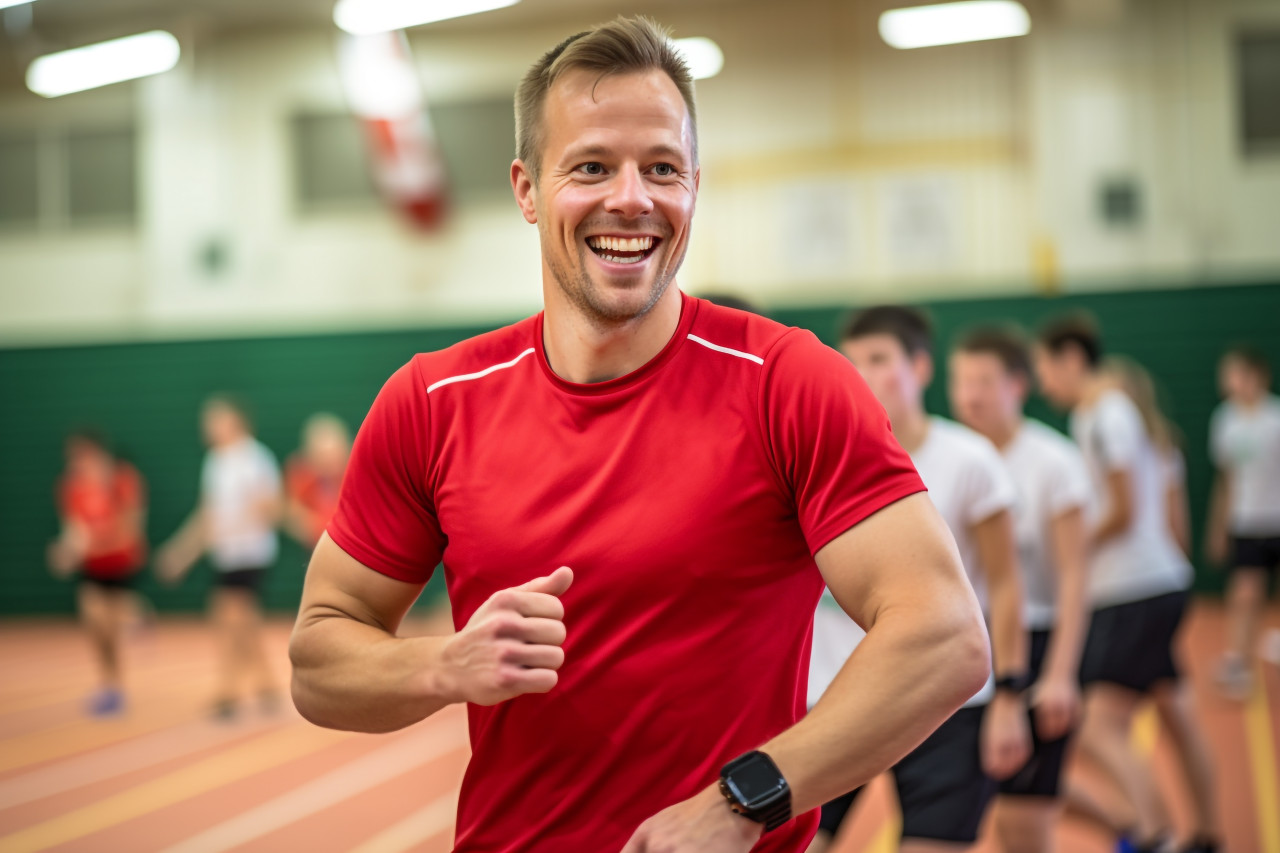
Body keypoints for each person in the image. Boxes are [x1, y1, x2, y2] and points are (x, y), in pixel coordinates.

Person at [289, 17, 991, 853]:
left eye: (662, 168)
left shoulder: (789, 383)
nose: (632, 198)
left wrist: (742, 801)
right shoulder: (432, 401)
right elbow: (319, 660)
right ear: (526, 189)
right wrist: (442, 665)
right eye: (591, 166)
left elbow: (943, 634)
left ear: (695, 183)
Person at [806, 306, 1030, 853]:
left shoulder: (969, 460)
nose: (862, 372)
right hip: (836, 700)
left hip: (945, 701)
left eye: (879, 359)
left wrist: (1010, 697)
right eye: (851, 360)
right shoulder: (815, 457)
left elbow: (1004, 585)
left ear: (921, 368)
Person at [1033, 316, 1218, 853]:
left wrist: (1067, 546)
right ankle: (1206, 836)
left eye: (1045, 367)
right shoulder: (1123, 415)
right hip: (1158, 582)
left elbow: (1123, 508)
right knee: (1177, 715)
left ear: (1070, 358)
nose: (1044, 383)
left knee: (1095, 724)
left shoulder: (1101, 414)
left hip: (1130, 590)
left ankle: (1156, 835)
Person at [949, 327, 1092, 853]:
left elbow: (1077, 577)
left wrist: (1059, 674)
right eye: (961, 380)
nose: (971, 394)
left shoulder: (1053, 462)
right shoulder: (955, 455)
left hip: (1035, 639)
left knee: (1024, 823)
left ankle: (1142, 827)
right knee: (985, 812)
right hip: (970, 646)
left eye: (984, 381)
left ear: (1018, 386)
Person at [157, 394, 284, 719]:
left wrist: (260, 507)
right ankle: (267, 685)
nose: (208, 427)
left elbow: (273, 505)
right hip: (226, 554)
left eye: (215, 419)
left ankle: (228, 691)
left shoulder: (257, 458)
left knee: (229, 616)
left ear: (235, 421)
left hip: (251, 552)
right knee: (242, 621)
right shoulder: (215, 462)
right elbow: (208, 514)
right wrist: (181, 552)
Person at [48, 429, 149, 716]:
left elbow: (131, 527)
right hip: (92, 565)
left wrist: (97, 541)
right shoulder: (71, 486)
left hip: (121, 561)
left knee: (110, 622)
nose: (75, 462)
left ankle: (137, 614)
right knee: (95, 621)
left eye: (80, 455)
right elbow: (73, 529)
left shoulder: (122, 480)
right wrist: (66, 551)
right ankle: (110, 685)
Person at [1205, 345, 1280, 698]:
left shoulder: (1275, 419)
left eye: (1235, 373)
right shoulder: (1226, 420)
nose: (1229, 381)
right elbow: (1226, 479)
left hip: (1276, 520)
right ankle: (1239, 665)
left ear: (1256, 376)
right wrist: (1219, 527)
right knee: (1244, 593)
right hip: (1245, 522)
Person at [283, 413, 352, 550]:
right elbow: (291, 513)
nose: (329, 461)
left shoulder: (356, 475)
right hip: (317, 549)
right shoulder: (302, 475)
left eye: (334, 453)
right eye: (322, 455)